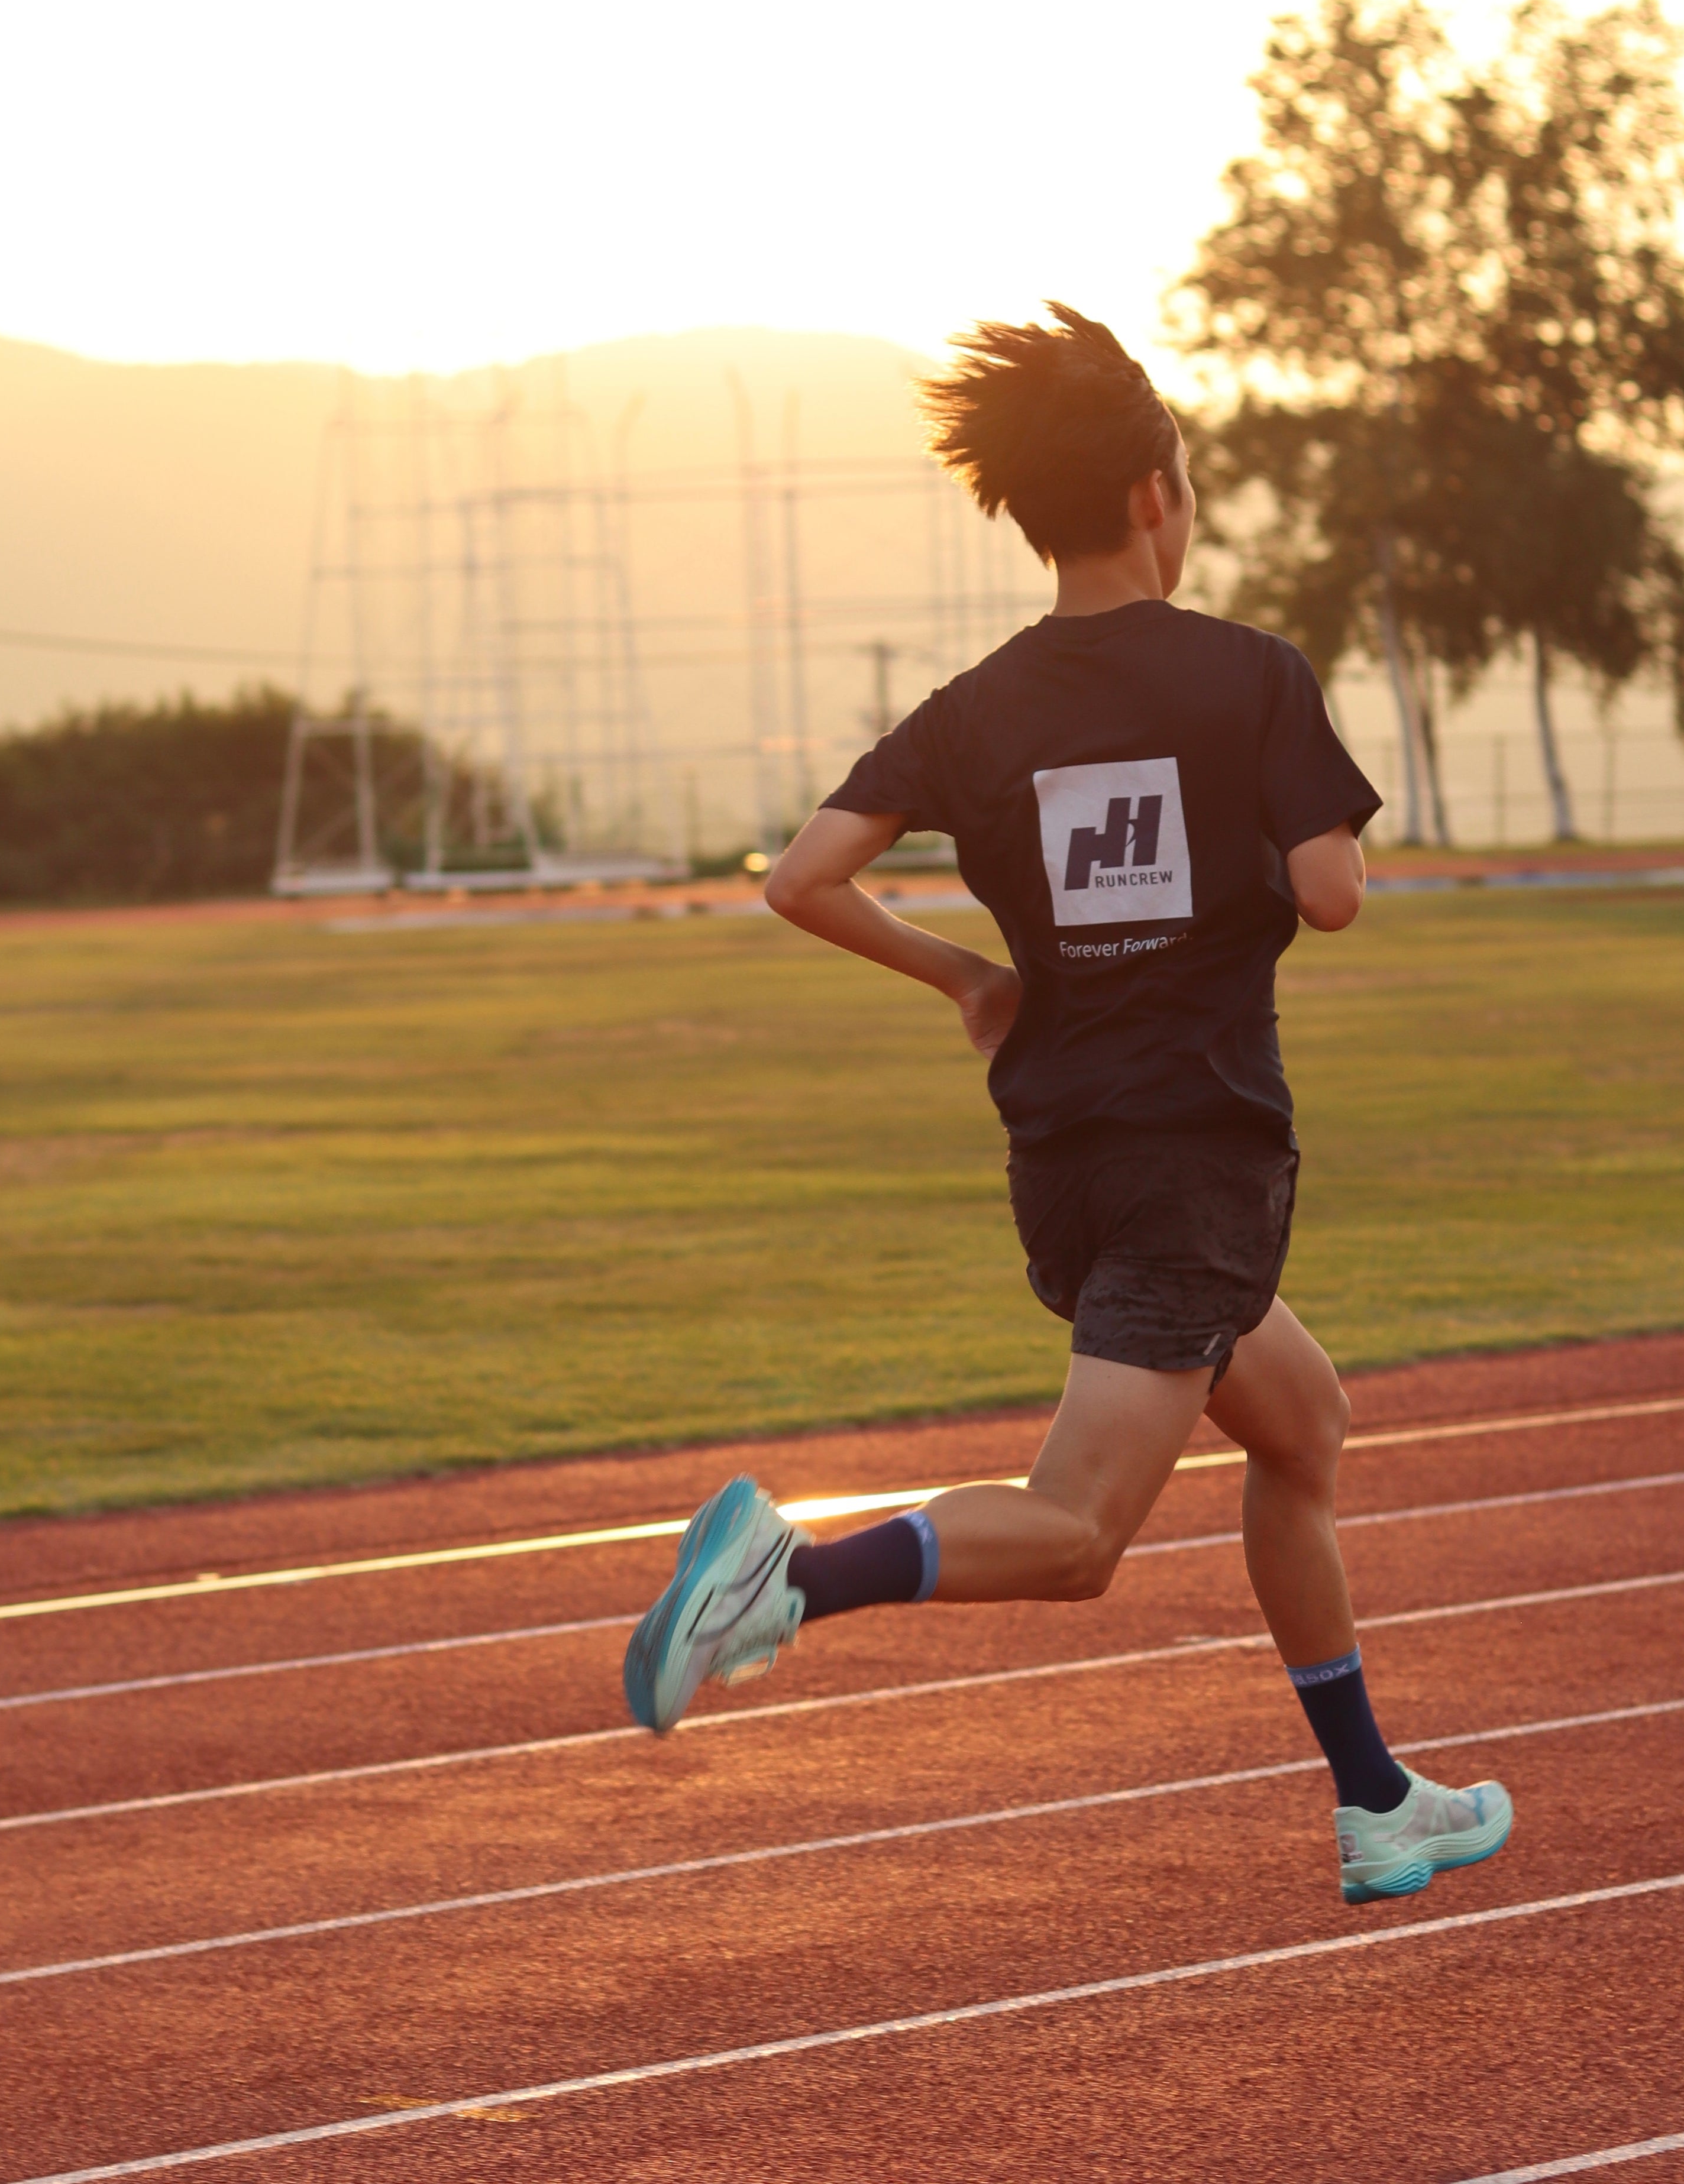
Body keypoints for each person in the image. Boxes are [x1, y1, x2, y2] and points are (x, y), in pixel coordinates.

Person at [623, 306, 1510, 1904]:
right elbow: (1333, 895)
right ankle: (789, 1576)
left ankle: (1377, 1800)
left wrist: (970, 978)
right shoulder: (1250, 676)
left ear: (1035, 514)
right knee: (1082, 1535)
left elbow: (803, 880)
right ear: (1158, 495)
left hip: (1068, 1168)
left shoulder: (978, 707)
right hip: (1194, 1165)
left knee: (1303, 1424)